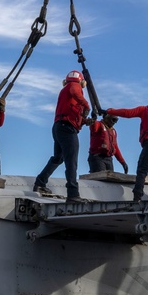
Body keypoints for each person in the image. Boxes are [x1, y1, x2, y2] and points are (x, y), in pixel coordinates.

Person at [34, 71, 91, 200]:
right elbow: (74, 91)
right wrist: (86, 105)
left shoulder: (66, 93)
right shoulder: (74, 86)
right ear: (82, 82)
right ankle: (73, 194)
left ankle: (40, 183)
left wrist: (84, 121)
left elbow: (72, 112)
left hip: (59, 127)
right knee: (71, 161)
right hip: (66, 129)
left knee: (58, 158)